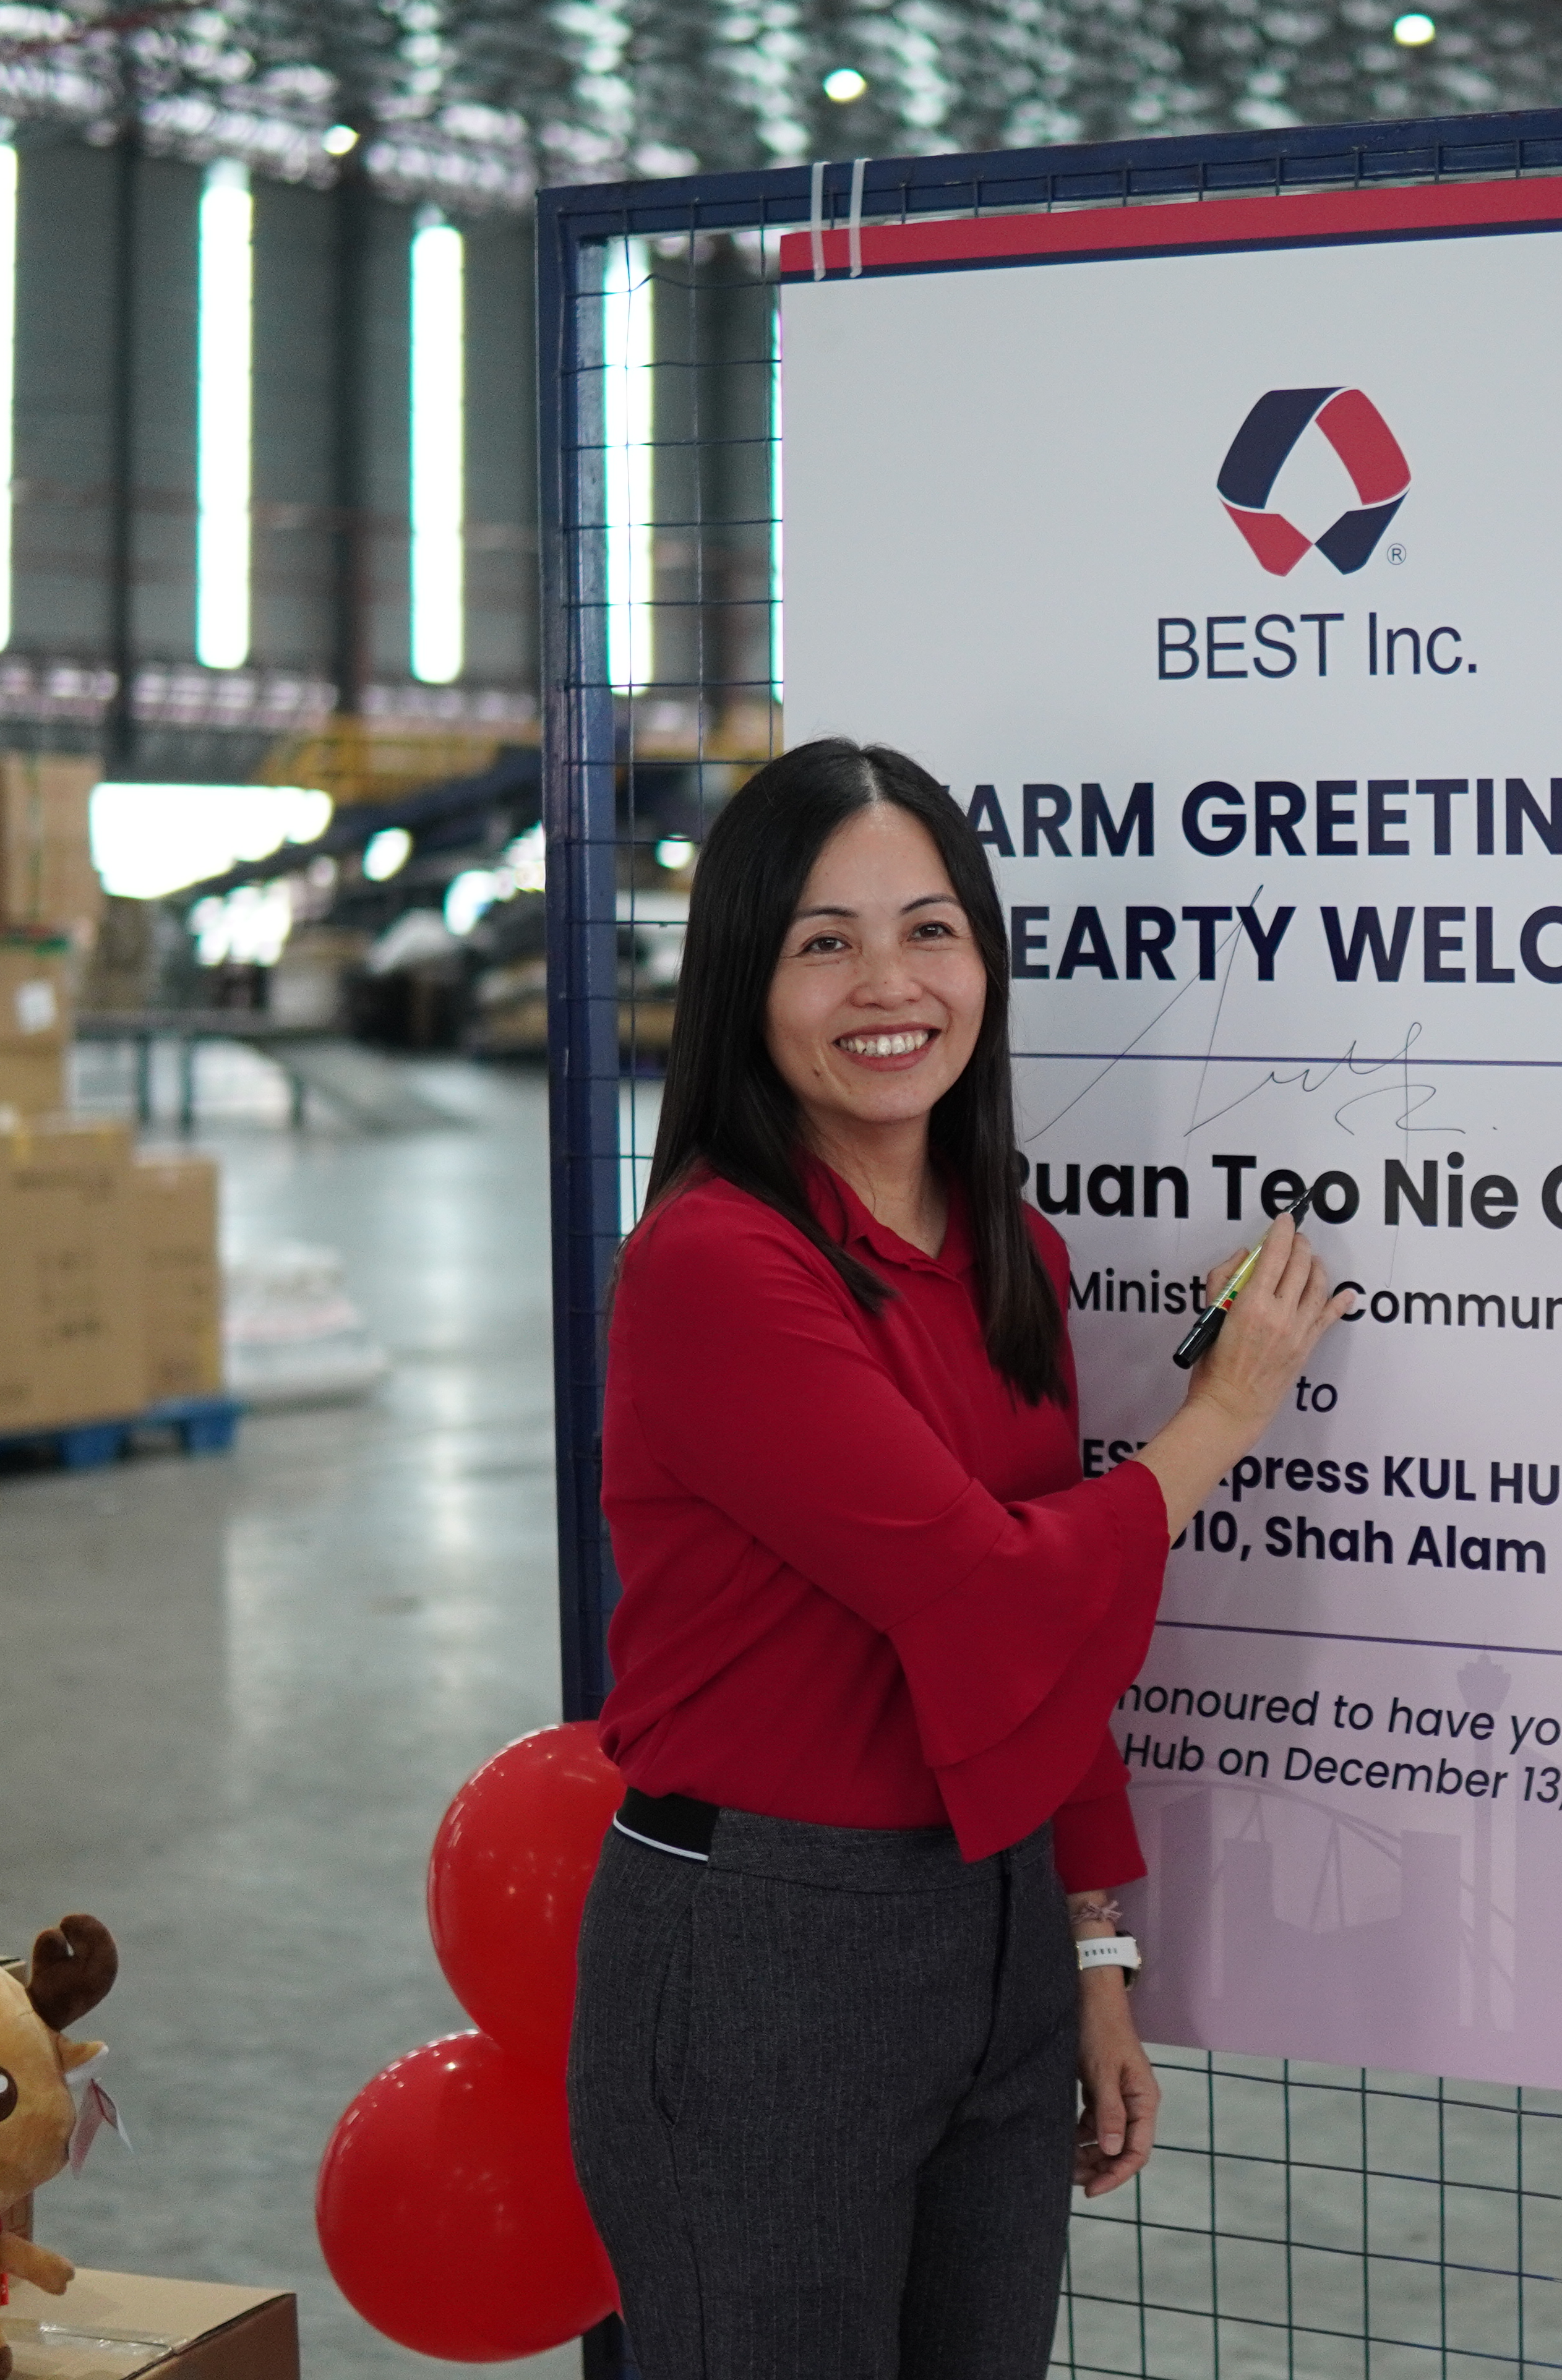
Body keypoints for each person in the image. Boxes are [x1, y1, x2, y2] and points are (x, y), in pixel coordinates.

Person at [569, 738, 1346, 2378]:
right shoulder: (718, 1267)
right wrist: (1223, 1414)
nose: (889, 984)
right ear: (744, 983)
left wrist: (1093, 1948)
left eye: (930, 929)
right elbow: (989, 1587)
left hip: (987, 1940)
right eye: (823, 942)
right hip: (762, 1959)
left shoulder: (1010, 1247)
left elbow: (1038, 1661)